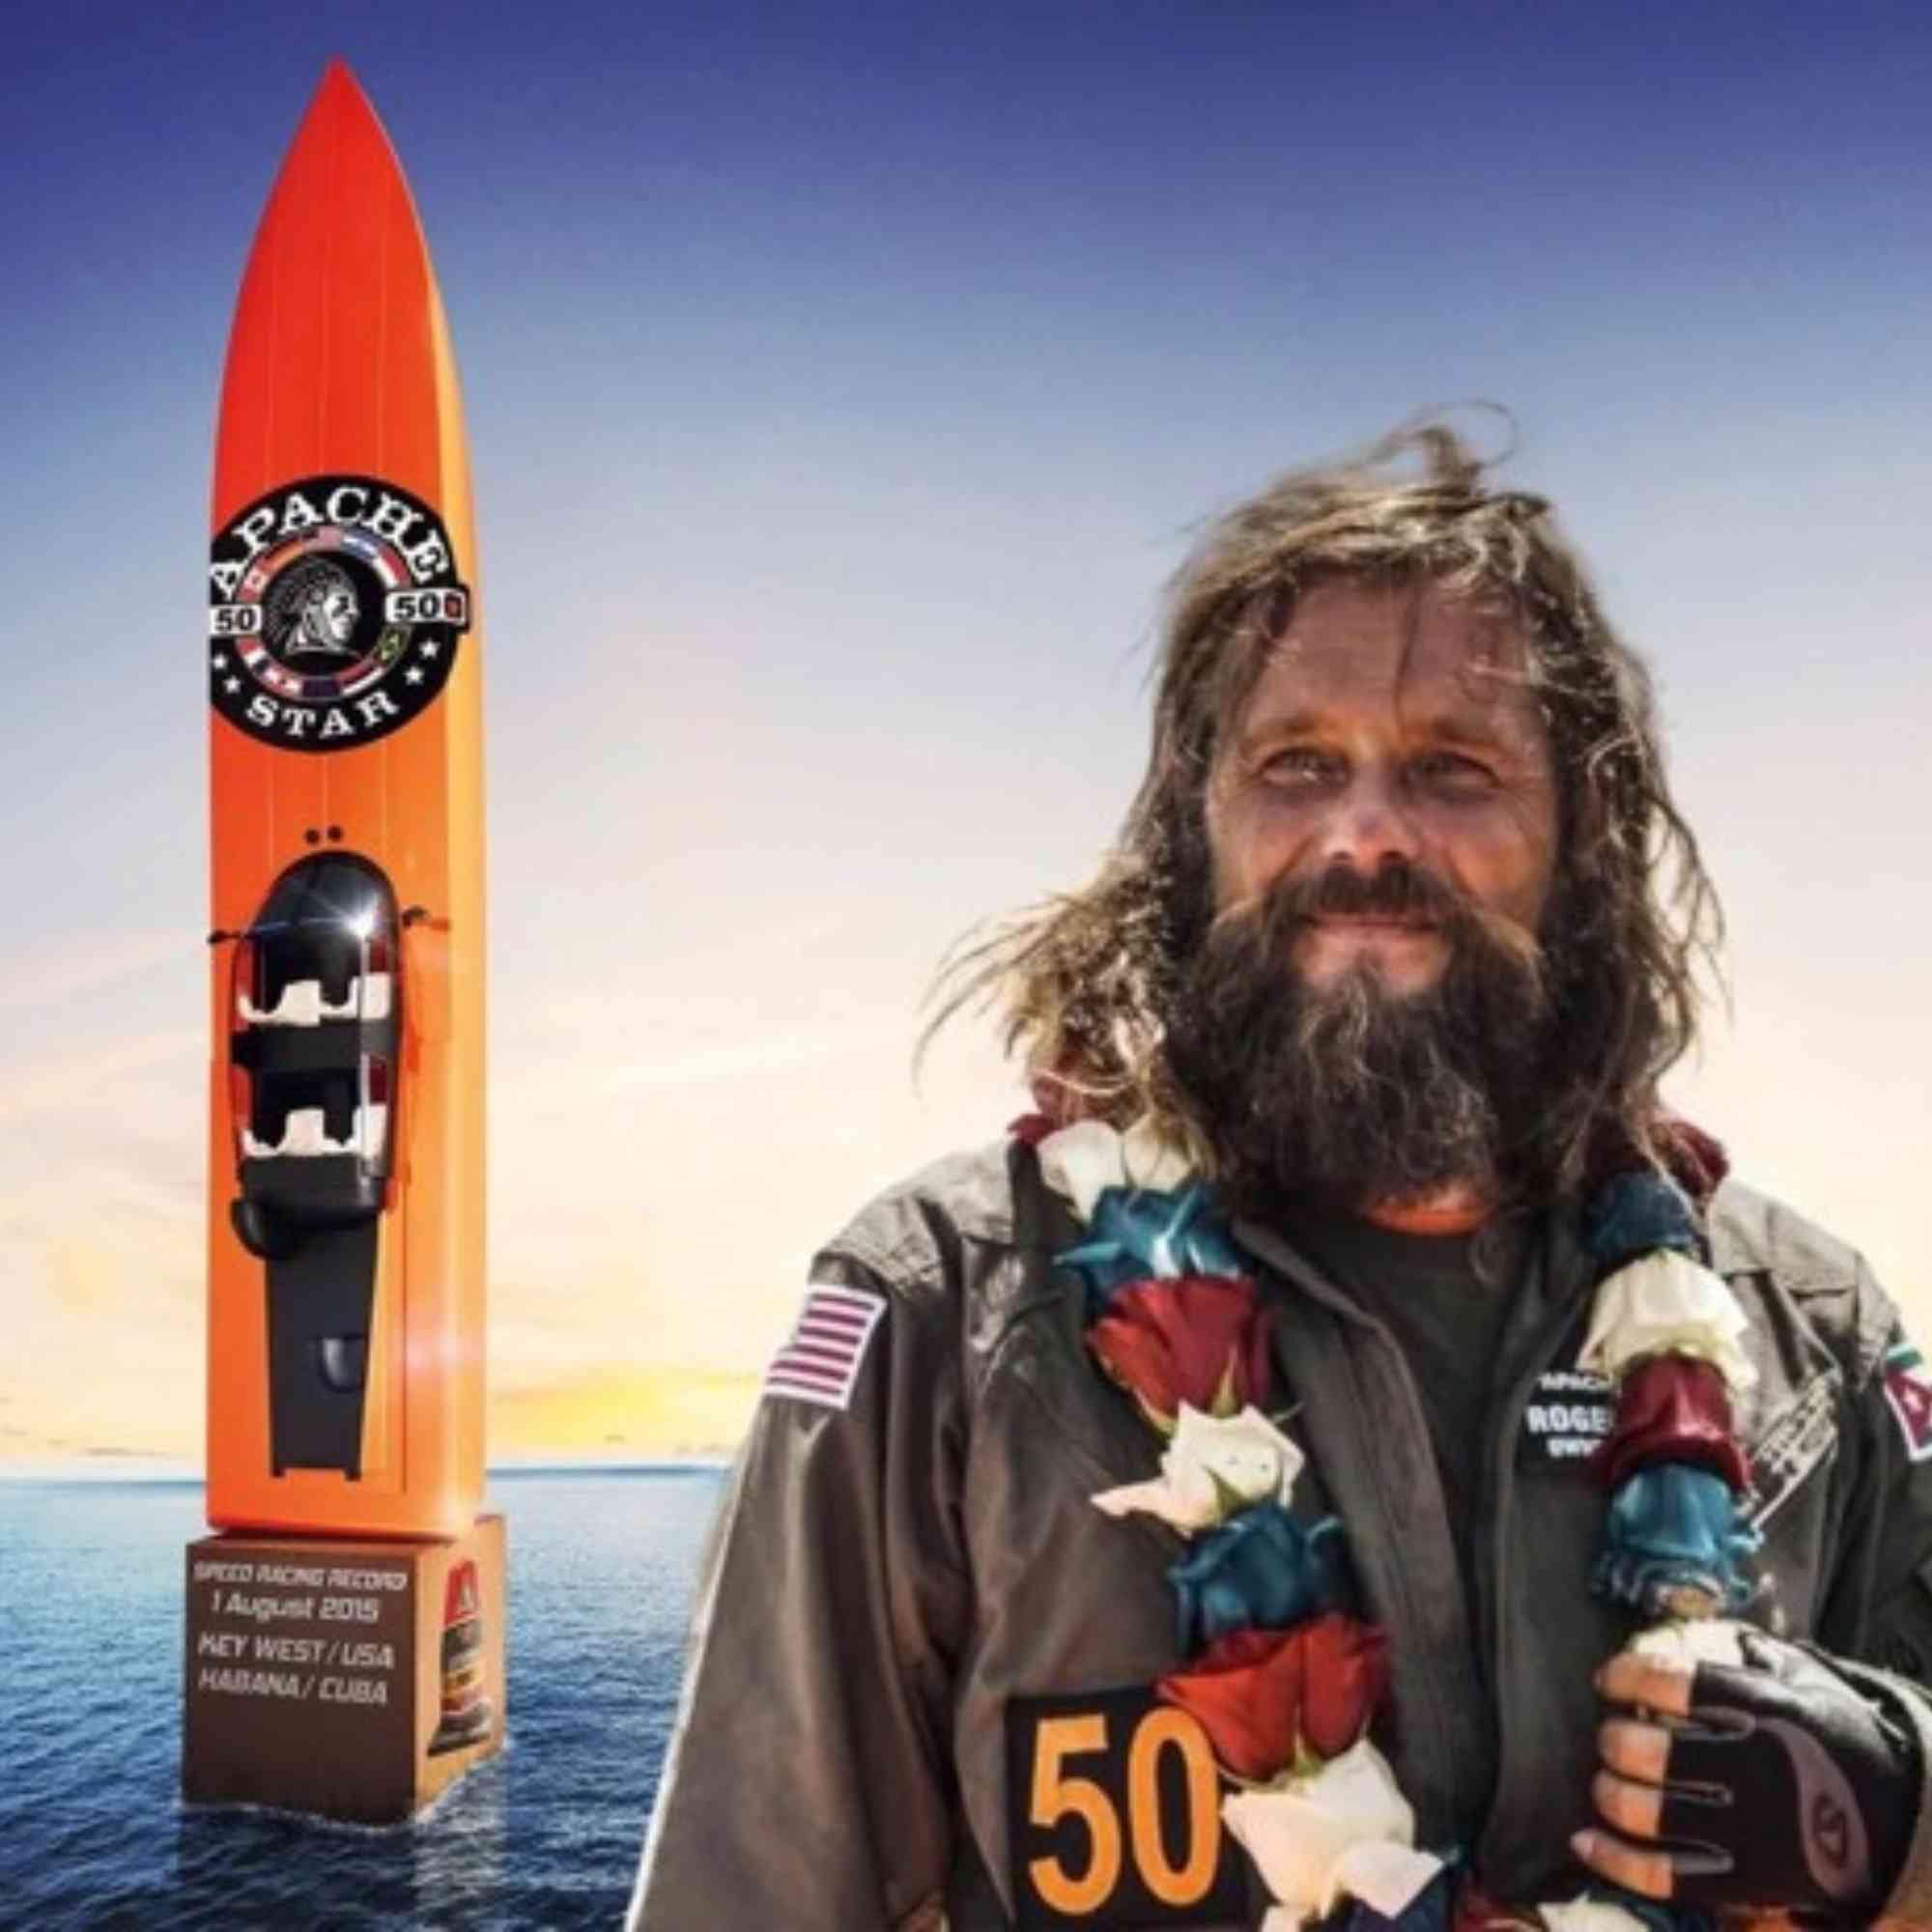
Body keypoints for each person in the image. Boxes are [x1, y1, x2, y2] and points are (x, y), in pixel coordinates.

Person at [627, 426, 1932, 1931]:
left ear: (1580, 844)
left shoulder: (1804, 1328)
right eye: (1296, 764)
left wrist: (1900, 1808)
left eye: (1454, 770)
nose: (1366, 833)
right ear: (1198, 830)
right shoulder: (943, 1315)